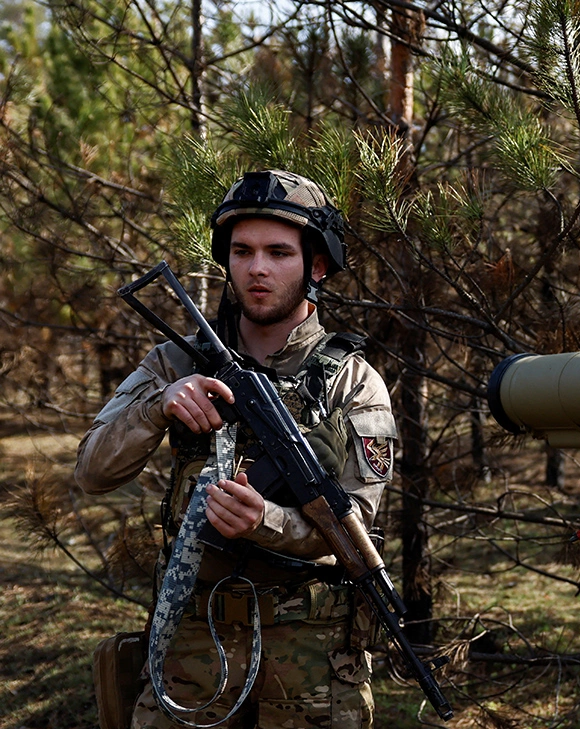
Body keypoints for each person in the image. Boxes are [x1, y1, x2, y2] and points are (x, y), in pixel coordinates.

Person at [76, 170, 398, 729]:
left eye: (279, 252)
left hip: (311, 660)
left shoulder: (354, 382)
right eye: (242, 251)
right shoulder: (175, 362)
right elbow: (91, 470)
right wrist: (159, 406)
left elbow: (355, 527)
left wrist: (265, 520)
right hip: (191, 646)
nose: (258, 268)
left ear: (316, 266)